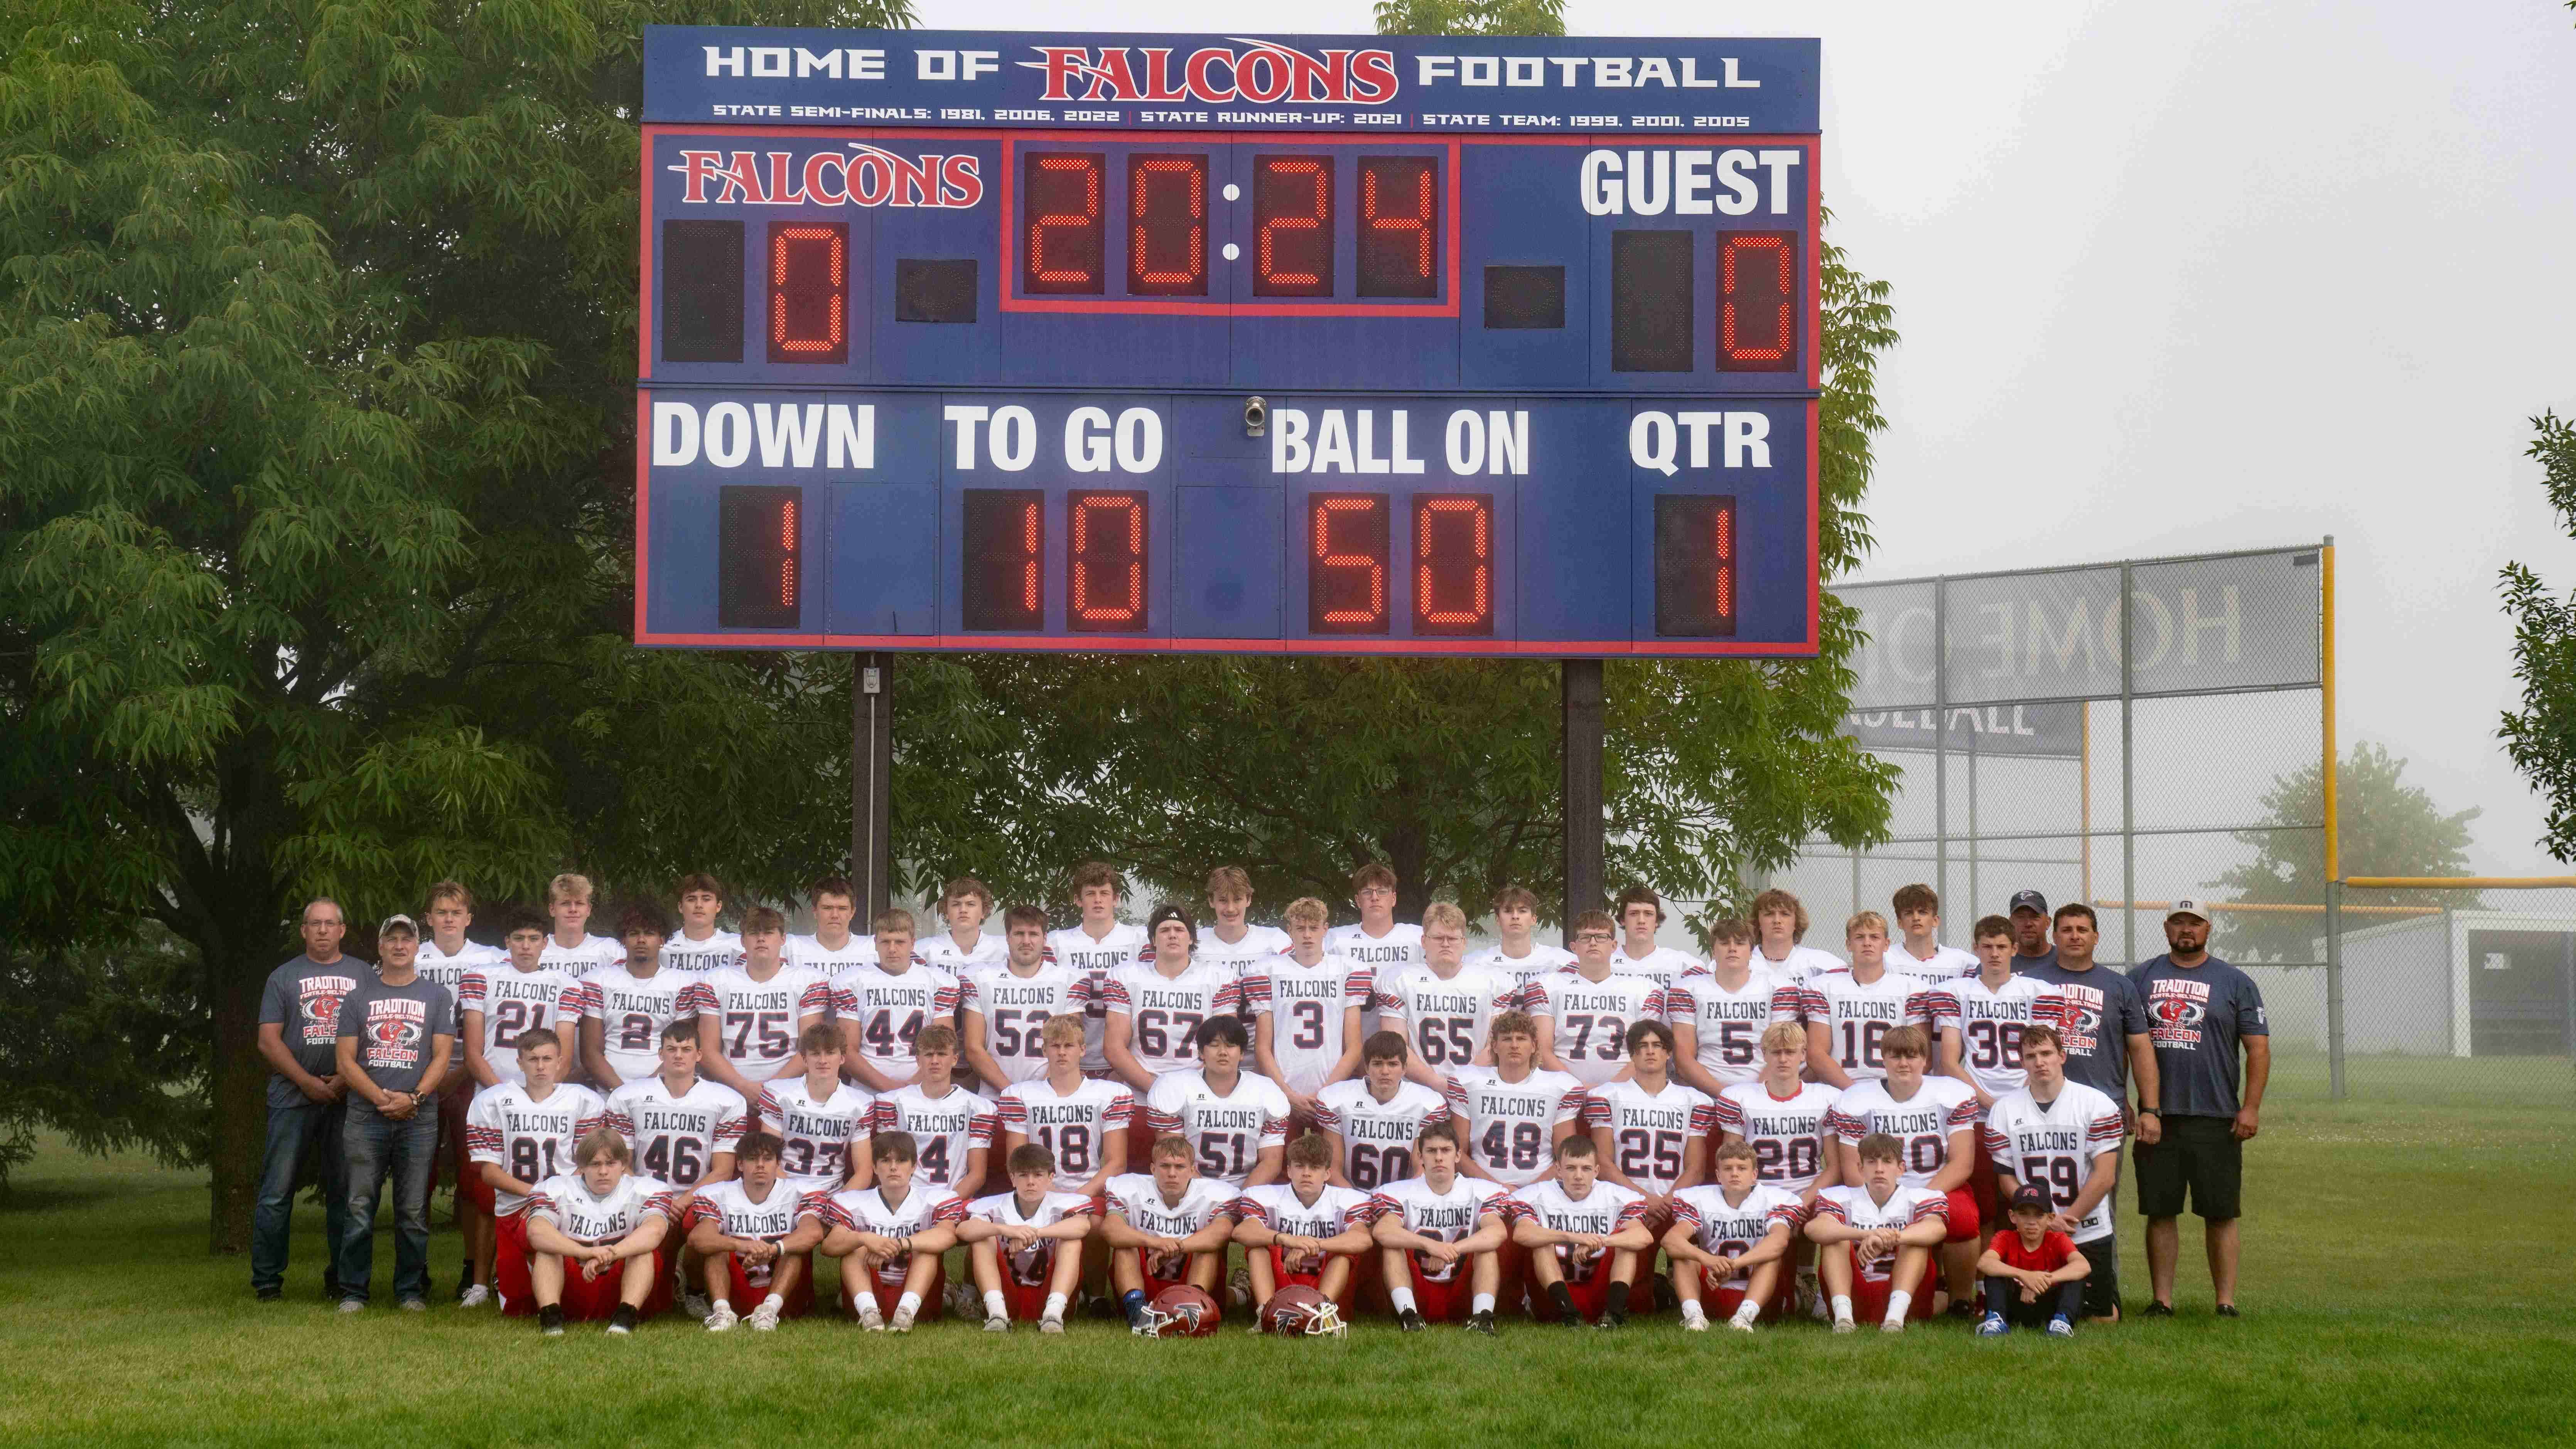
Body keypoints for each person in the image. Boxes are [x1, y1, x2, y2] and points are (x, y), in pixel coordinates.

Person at [2130, 898, 2270, 1318]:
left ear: (2208, 928)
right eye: (2178, 922)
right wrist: (2128, 1102)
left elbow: (2258, 1050)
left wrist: (2250, 1108)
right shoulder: (2140, 978)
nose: (2185, 930)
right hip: (2158, 1115)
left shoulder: (2234, 981)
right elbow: (2125, 1045)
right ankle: (2162, 1300)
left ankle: (2225, 1301)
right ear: (2166, 927)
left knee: (2221, 1212)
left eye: (2194, 923)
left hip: (2216, 1116)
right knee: (2160, 1211)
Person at [332, 914, 455, 1312]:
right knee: (359, 1204)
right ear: (381, 947)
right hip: (366, 1116)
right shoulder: (357, 998)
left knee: (414, 1208)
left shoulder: (437, 996)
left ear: (417, 946)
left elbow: (441, 1057)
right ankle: (353, 1290)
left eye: (407, 939)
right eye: (392, 939)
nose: (400, 946)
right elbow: (346, 1062)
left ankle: (410, 1290)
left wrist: (414, 1098)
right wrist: (382, 1100)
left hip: (419, 1116)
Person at [252, 898, 365, 1302]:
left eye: (329, 923)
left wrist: (342, 1079)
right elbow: (268, 1040)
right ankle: (267, 1280)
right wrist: (306, 1081)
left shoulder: (363, 975)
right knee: (277, 1190)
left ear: (342, 929)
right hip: (291, 1097)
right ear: (303, 930)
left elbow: (376, 1035)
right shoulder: (283, 977)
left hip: (347, 1098)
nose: (321, 930)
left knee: (345, 1191)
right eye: (314, 924)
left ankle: (342, 1277)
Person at [1826, 1025, 1981, 1316]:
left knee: (1963, 1219)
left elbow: (1962, 1162)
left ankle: (1961, 1299)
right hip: (1877, 1188)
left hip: (1936, 1183)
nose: (1903, 1063)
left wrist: (1921, 1198)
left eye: (1911, 1056)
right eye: (1895, 1056)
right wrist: (1887, 1202)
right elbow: (1852, 1168)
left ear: (1925, 1059)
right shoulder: (1856, 1100)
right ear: (1882, 1059)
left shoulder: (1952, 1093)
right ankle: (1864, 1294)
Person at [1930, 914, 2065, 1245]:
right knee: (1984, 1203)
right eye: (1987, 946)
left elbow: (2043, 1054)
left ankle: (2026, 1270)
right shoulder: (1957, 992)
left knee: (2026, 1199)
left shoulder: (2036, 991)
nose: (1994, 953)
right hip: (1977, 1112)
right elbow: (1948, 1060)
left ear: (2014, 948)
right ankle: (1983, 1285)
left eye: (2001, 946)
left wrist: (2017, 1099)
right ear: (1976, 948)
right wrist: (1988, 1101)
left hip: (2028, 1110)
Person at [1984, 1026, 2125, 1322]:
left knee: (2103, 1318)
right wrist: (2044, 1220)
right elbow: (2006, 1179)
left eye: (2047, 1053)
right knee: (2029, 1315)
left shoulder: (2096, 1104)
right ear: (2022, 1062)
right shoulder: (2004, 1110)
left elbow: (2104, 1177)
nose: (2039, 1062)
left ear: (2062, 1056)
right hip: (2032, 1231)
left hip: (2084, 1227)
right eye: (2031, 1056)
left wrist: (2063, 1220)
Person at [466, 1028, 606, 1316]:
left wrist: (552, 1198)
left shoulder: (582, 1101)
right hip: (515, 1206)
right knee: (517, 1308)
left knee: (578, 1302)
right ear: (519, 1062)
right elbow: (489, 1173)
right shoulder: (492, 1101)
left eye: (547, 1058)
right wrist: (537, 1195)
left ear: (560, 1061)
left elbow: (588, 1165)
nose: (541, 1066)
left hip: (567, 1208)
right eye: (533, 1059)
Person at [1713, 1022, 1844, 1316]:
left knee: (1838, 1219)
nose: (1783, 1059)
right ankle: (1782, 1290)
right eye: (1776, 1052)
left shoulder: (1825, 1098)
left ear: (1803, 1054)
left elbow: (1834, 1167)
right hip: (1759, 1195)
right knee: (1779, 1305)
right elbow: (1730, 1158)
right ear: (1764, 1054)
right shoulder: (1740, 1098)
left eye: (1790, 1052)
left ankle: (1826, 1292)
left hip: (1808, 1190)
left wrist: (1798, 1205)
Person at [417, 882, 505, 1304]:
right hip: (417, 1076)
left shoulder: (491, 959)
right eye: (441, 911)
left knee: (474, 1180)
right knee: (418, 1177)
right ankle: (414, 1268)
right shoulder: (412, 956)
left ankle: (474, 1268)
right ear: (428, 918)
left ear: (469, 918)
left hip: (470, 1074)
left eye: (457, 911)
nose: (449, 918)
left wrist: (456, 1076)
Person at [1103, 904, 1243, 1160]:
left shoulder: (1217, 977)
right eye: (1164, 929)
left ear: (1191, 938)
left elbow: (1226, 1045)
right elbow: (1114, 1048)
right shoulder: (1127, 976)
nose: (1172, 935)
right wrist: (1159, 1089)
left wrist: (1186, 1093)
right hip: (1140, 1097)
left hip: (1198, 1100)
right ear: (1153, 940)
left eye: (1180, 929)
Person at [2019, 903, 2163, 1150]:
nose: (2075, 936)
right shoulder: (2029, 983)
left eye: (2082, 930)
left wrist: (2149, 1109)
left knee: (2103, 1187)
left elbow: (2140, 1049)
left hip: (2104, 1106)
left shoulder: (2120, 986)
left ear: (2096, 937)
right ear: (2055, 937)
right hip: (2042, 1105)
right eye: (2067, 930)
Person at [521, 1127, 679, 1335]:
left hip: (619, 1284)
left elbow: (654, 1231)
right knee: (547, 1249)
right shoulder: (555, 1188)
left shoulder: (647, 1189)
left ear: (623, 1165)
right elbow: (537, 1232)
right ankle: (551, 1317)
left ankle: (625, 1318)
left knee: (643, 1252)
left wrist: (609, 1255)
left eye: (611, 1163)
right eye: (595, 1164)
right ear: (581, 1167)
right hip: (573, 1284)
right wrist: (584, 1253)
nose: (603, 1171)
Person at [816, 1130, 967, 1331]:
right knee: (855, 1246)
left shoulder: (935, 1200)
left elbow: (948, 1236)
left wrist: (900, 1244)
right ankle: (868, 1312)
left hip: (918, 1295)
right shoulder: (853, 1202)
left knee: (926, 1248)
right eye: (886, 1161)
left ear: (914, 1166)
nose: (894, 1168)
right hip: (870, 1287)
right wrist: (865, 1238)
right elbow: (829, 1247)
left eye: (902, 1161)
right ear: (874, 1167)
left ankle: (905, 1313)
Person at [1368, 1120, 1510, 1333]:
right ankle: (1409, 1317)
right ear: (1420, 1156)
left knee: (1486, 1248)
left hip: (1463, 1290)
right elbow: (1382, 1231)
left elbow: (1498, 1231)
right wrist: (1429, 1246)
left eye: (1446, 1150)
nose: (1439, 1157)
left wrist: (1450, 1250)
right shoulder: (1402, 1192)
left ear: (1458, 1155)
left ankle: (1482, 1317)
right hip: (1418, 1289)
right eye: (1432, 1151)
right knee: (1392, 1246)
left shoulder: (1478, 1191)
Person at [1244, 896, 1370, 1129]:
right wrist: (1289, 1096)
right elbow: (1262, 1047)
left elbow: (1353, 1048)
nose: (1308, 935)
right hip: (1281, 1093)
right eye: (1301, 929)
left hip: (1332, 1092)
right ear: (1290, 931)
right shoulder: (1268, 971)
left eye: (1314, 928)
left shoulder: (1347, 971)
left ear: (1325, 930)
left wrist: (1325, 1095)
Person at [1806, 1131, 1948, 1333]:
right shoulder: (1840, 1197)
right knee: (1835, 1238)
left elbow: (1936, 1228)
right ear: (1861, 1168)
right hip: (1856, 1294)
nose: (1880, 1169)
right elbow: (1815, 1228)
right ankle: (1843, 1318)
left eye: (1887, 1162)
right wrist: (1866, 1235)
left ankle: (1894, 1320)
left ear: (1901, 1169)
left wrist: (1893, 1238)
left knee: (1915, 1238)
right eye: (1872, 1162)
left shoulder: (1920, 1197)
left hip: (1905, 1295)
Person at [1508, 1135, 1651, 1328]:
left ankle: (1614, 1315)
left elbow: (1644, 1237)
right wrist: (1571, 1237)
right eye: (1571, 1168)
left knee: (1626, 1243)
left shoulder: (1615, 1196)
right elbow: (1522, 1234)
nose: (1578, 1176)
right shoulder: (1538, 1194)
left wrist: (1601, 1241)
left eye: (1586, 1169)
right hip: (1552, 1295)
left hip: (1599, 1289)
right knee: (1541, 1241)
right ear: (1558, 1170)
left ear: (1597, 1171)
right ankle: (1570, 1316)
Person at [693, 904, 829, 1106]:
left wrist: (771, 1090)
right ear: (742, 941)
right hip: (730, 1093)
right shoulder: (717, 982)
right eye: (754, 933)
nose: (761, 939)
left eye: (768, 932)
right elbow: (708, 1050)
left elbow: (809, 1049)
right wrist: (743, 1087)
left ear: (783, 939)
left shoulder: (806, 981)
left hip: (790, 1094)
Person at [1102, 1134, 1239, 1332]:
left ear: (1193, 1170)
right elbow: (1110, 1229)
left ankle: (1192, 1305)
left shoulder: (1213, 1194)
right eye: (1165, 1166)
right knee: (1125, 1244)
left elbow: (1221, 1233)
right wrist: (1154, 1242)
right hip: (1145, 1281)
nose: (1172, 1174)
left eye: (1180, 1167)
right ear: (1153, 1169)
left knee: (1207, 1249)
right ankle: (1137, 1311)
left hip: (1194, 1282)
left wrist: (1176, 1247)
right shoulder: (1131, 1189)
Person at [685, 1132, 822, 1331]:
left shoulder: (800, 1192)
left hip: (784, 1290)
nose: (760, 1165)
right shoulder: (718, 1193)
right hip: (737, 1284)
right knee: (717, 1247)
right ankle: (722, 1313)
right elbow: (698, 1239)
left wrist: (773, 1250)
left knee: (794, 1247)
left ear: (778, 1164)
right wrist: (742, 1245)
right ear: (740, 1164)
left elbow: (813, 1232)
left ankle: (769, 1311)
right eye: (752, 1158)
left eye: (767, 1159)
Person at [1665, 1139, 1804, 1331]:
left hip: (1759, 1295)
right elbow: (1671, 1241)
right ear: (1718, 1175)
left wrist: (1733, 1265)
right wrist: (1707, 1259)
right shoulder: (1701, 1199)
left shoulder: (1773, 1199)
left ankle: (1743, 1318)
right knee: (1684, 1256)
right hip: (1714, 1288)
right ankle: (1695, 1317)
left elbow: (1779, 1242)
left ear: (1755, 1174)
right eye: (1728, 1168)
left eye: (1742, 1168)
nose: (1735, 1174)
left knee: (1771, 1258)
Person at [1376, 902, 1516, 1093]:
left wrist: (1464, 1081)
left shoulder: (1493, 983)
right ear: (1424, 941)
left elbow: (1496, 1044)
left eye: (1452, 938)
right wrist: (1437, 1083)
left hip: (1477, 1089)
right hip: (1416, 1093)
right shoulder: (1399, 981)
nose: (1446, 944)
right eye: (1438, 938)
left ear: (1464, 942)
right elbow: (1397, 1047)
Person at [1230, 1133, 1376, 1313]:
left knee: (1343, 1254)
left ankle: (1322, 1312)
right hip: (1280, 1277)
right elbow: (1242, 1232)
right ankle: (1265, 1312)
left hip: (1326, 1279)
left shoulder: (1346, 1199)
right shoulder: (1267, 1196)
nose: (1306, 1173)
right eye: (1300, 1166)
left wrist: (1313, 1245)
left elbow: (1363, 1239)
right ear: (1289, 1171)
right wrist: (1286, 1239)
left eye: (1315, 1167)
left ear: (1328, 1173)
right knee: (1258, 1248)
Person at [960, 1143, 1098, 1332]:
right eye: (1024, 1175)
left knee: (1071, 1240)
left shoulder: (1066, 1203)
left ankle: (1054, 1315)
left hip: (1049, 1292)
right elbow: (964, 1231)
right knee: (983, 1236)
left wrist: (1034, 1233)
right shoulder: (994, 1206)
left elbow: (1083, 1226)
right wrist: (1006, 1230)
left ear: (1051, 1178)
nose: (1031, 1182)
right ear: (1012, 1178)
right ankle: (997, 1315)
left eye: (1038, 1175)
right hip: (1006, 1293)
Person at [1144, 1016, 1290, 1192]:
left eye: (1230, 1045)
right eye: (1214, 1045)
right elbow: (1173, 1158)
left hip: (1247, 1189)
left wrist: (1241, 1198)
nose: (1223, 1052)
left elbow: (1271, 1162)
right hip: (1188, 1190)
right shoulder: (1174, 1088)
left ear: (1242, 1053)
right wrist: (1211, 1199)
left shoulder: (1266, 1092)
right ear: (1201, 1053)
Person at [602, 1023, 748, 1198]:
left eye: (686, 1049)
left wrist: (683, 1203)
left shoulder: (727, 1101)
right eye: (671, 1049)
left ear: (699, 1054)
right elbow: (622, 1165)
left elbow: (723, 1172)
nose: (678, 1055)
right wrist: (652, 1199)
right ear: (661, 1054)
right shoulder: (628, 1097)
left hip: (700, 1200)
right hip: (642, 1198)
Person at [1445, 1010, 1586, 1188]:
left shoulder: (1558, 1087)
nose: (1514, 1045)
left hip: (1542, 1191)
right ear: (1494, 1046)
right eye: (1506, 1039)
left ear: (1534, 1046)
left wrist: (1530, 1192)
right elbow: (1457, 1154)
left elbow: (1566, 1157)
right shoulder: (1470, 1083)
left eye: (1521, 1039)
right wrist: (1497, 1188)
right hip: (1481, 1189)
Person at [1666, 916, 1803, 1098]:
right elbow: (1684, 1060)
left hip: (1765, 1096)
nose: (1732, 949)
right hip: (1707, 1096)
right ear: (1713, 951)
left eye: (1740, 943)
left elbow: (1783, 1052)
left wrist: (1756, 1096)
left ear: (1751, 951)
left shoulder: (1777, 988)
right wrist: (1726, 1097)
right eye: (1724, 943)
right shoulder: (1688, 990)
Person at [997, 1014, 1134, 1196]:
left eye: (1069, 1045)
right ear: (1045, 1050)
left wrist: (1079, 1199)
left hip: (1090, 1195)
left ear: (1083, 1049)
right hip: (1038, 1197)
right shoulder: (1021, 1096)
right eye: (1055, 1046)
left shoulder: (1108, 1095)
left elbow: (1116, 1163)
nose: (1062, 1052)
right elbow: (1017, 1162)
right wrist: (1052, 1197)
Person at [832, 908, 962, 1093]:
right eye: (885, 942)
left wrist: (912, 1088)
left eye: (900, 942)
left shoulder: (937, 982)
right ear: (875, 943)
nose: (892, 949)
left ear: (913, 943)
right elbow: (848, 1051)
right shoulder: (853, 982)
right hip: (866, 1092)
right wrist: (888, 1088)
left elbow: (944, 1048)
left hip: (922, 1092)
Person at [1800, 911, 1934, 1090]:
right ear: (1849, 945)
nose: (1867, 943)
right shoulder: (1824, 987)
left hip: (1895, 1093)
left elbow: (1923, 1057)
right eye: (1859, 937)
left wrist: (1890, 1093)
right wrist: (1854, 1092)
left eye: (1875, 937)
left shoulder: (1912, 990)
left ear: (1886, 944)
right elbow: (1817, 1054)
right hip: (1840, 1091)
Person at [960, 903, 1088, 1089]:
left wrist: (1037, 1095)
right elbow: (973, 1049)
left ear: (1045, 938)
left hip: (1050, 1096)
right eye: (1019, 934)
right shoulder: (981, 979)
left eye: (1034, 934)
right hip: (995, 1096)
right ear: (1007, 937)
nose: (1026, 941)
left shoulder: (1068, 981)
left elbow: (1070, 1046)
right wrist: (1011, 1094)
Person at [570, 901, 692, 1094]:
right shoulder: (600, 980)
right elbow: (590, 1053)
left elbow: (685, 1049)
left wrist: (647, 1093)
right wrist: (621, 1093)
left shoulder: (681, 984)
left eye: (650, 933)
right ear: (623, 940)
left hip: (664, 1092)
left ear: (662, 940)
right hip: (608, 1091)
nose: (641, 940)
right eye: (634, 934)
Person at [1528, 910, 1661, 1087]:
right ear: (1574, 947)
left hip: (1625, 1094)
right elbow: (1542, 1051)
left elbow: (1646, 1053)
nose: (1592, 943)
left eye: (1601, 937)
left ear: (1614, 946)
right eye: (1585, 937)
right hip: (1562, 1092)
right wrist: (1576, 1089)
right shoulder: (1548, 987)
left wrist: (1608, 1093)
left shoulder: (1643, 991)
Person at [459, 914, 584, 1096]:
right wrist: (500, 1092)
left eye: (534, 939)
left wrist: (538, 1096)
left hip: (543, 1094)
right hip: (490, 1090)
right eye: (519, 938)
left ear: (545, 944)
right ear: (508, 942)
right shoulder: (481, 978)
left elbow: (563, 1060)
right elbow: (472, 1053)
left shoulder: (565, 985)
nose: (526, 946)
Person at [870, 1024, 999, 1199]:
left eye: (942, 1054)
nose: (935, 1061)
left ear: (955, 1059)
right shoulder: (894, 1102)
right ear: (918, 1060)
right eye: (929, 1055)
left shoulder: (977, 1107)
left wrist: (946, 1205)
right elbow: (888, 1166)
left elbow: (977, 1175)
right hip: (905, 1200)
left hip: (953, 1199)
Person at [1045, 861, 1148, 1078]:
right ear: (1077, 899)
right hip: (1071, 1061)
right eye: (1090, 893)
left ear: (1116, 898)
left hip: (1126, 1063)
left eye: (1105, 893)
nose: (1098, 900)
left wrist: (1124, 1068)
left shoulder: (1139, 941)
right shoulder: (1057, 943)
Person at [1314, 1032, 1452, 1191]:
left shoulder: (1426, 1104)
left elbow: (1421, 1169)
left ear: (1405, 1068)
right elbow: (1333, 1171)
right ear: (1366, 1067)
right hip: (1350, 1199)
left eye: (1393, 1064)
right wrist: (1357, 1203)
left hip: (1403, 1200)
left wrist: (1393, 1202)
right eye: (1378, 1064)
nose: (1385, 1071)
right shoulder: (1338, 1100)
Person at [759, 1023, 876, 1193]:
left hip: (833, 1194)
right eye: (815, 1054)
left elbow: (864, 1172)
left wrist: (838, 1204)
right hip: (783, 1191)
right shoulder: (780, 1095)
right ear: (805, 1059)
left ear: (842, 1058)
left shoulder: (858, 1104)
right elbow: (767, 1159)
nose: (823, 1061)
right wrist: (793, 1196)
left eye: (830, 1053)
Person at [1975, 1184, 2090, 1337]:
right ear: (2012, 1216)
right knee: (1994, 1273)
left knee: (2077, 1278)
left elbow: (2083, 1266)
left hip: (2048, 1303)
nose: (2031, 1222)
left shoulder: (2057, 1239)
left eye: (2039, 1215)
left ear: (2050, 1219)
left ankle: (2062, 1322)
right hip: (2015, 1304)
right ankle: (1996, 1321)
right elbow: (1984, 1263)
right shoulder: (2006, 1238)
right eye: (2024, 1214)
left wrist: (2041, 1282)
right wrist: (2025, 1276)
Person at [1196, 865, 1293, 991]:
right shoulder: (1195, 941)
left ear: (1248, 899)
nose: (1231, 909)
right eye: (1223, 900)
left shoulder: (1275, 940)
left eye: (1237, 899)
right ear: (1211, 901)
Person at [1466, 885, 1575, 997]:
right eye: (1508, 911)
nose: (1515, 916)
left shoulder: (1559, 962)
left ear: (1534, 919)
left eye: (1522, 911)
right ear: (1498, 920)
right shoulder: (1478, 963)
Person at [1609, 885, 1702, 995]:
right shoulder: (1607, 962)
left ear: (1657, 920)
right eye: (1634, 914)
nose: (1641, 921)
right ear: (1622, 920)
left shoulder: (1681, 965)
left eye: (1648, 914)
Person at [538, 872, 625, 980]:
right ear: (552, 910)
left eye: (579, 903)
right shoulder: (531, 950)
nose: (573, 910)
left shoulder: (612, 951)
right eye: (565, 903)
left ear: (589, 910)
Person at [918, 875, 1009, 978]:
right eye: (956, 904)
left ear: (984, 911)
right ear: (946, 911)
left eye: (971, 904)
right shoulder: (924, 951)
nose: (963, 910)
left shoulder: (1005, 951)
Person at [1749, 887, 1845, 984]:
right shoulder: (1745, 964)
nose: (1777, 920)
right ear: (1758, 923)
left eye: (1785, 914)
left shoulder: (1821, 963)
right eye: (1769, 914)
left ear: (1796, 922)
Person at [786, 876, 877, 976]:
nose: (835, 915)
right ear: (815, 911)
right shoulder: (793, 948)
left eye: (842, 909)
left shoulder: (873, 949)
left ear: (852, 913)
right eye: (827, 908)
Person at [1888, 883, 1979, 982]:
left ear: (1935, 921)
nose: (1916, 918)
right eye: (1909, 913)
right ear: (1900, 922)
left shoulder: (1961, 963)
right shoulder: (1887, 959)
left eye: (1922, 912)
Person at [663, 872, 744, 975]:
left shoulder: (739, 946)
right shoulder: (663, 947)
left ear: (718, 906)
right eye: (691, 900)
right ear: (680, 907)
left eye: (706, 899)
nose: (699, 905)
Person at [2007, 889, 2058, 971]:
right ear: (2011, 923)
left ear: (2048, 923)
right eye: (2021, 917)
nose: (2028, 924)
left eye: (2035, 917)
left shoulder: (2065, 958)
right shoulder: (1998, 963)